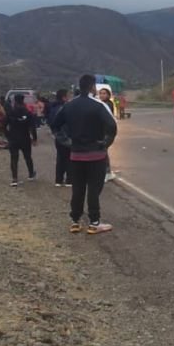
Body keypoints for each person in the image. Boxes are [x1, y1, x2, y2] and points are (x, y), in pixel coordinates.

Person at [51, 74, 117, 235]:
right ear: (93, 86)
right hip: (96, 155)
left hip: (76, 154)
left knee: (77, 189)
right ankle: (94, 222)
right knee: (94, 189)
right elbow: (112, 127)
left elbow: (55, 125)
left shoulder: (69, 106)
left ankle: (75, 221)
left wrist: (66, 141)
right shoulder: (98, 105)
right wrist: (105, 143)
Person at [4, 93, 38, 186]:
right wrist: (34, 138)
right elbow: (32, 127)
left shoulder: (10, 112)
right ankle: (31, 174)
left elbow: (4, 126)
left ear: (14, 101)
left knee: (14, 158)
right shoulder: (27, 112)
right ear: (23, 100)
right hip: (25, 138)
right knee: (27, 156)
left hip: (13, 138)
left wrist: (8, 135)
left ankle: (14, 179)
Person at [48, 89, 72, 187]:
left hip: (57, 136)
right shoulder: (65, 108)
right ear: (64, 97)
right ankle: (69, 180)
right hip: (66, 135)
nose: (70, 98)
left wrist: (55, 132)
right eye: (68, 96)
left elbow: (50, 122)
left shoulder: (53, 108)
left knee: (60, 157)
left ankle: (58, 180)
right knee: (69, 158)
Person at [97, 87, 119, 182]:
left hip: (108, 132)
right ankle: (105, 171)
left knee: (103, 151)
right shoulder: (101, 104)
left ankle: (107, 172)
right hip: (103, 131)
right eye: (101, 93)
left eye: (104, 93)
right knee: (102, 151)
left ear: (108, 95)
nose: (102, 95)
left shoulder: (107, 105)